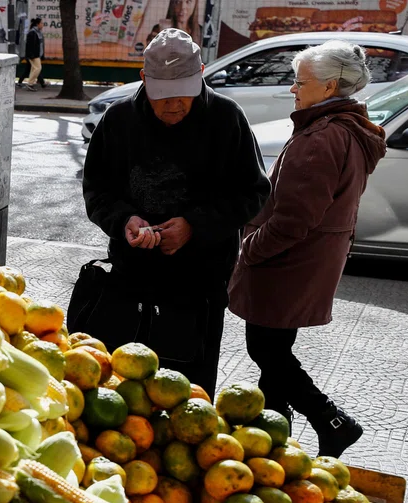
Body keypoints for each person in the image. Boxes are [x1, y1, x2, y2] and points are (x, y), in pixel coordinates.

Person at [71, 28, 270, 396]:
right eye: (163, 96)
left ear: (201, 76)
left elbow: (254, 192)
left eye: (184, 94)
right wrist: (124, 220)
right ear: (144, 79)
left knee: (188, 393)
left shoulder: (227, 119)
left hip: (200, 283)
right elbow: (96, 190)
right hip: (130, 276)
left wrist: (194, 226)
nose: (174, 105)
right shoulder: (118, 121)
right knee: (122, 388)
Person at [228, 41, 386, 457]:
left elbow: (293, 219)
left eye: (301, 82)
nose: (294, 89)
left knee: (266, 350)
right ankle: (273, 435)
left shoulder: (321, 137)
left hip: (288, 264)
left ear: (330, 86)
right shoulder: (344, 129)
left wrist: (251, 249)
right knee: (274, 350)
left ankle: (332, 422)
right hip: (308, 262)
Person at [24, 18, 45, 91]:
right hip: (34, 55)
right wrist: (31, 55)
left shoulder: (38, 32)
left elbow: (40, 45)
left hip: (37, 54)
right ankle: (30, 83)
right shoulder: (32, 33)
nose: (42, 25)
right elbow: (30, 45)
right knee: (37, 68)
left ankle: (30, 84)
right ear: (37, 24)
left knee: (34, 69)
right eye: (41, 23)